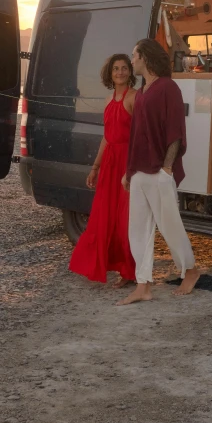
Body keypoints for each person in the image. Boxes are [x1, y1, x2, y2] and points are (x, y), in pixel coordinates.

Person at [118, 39, 200, 306]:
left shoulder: (168, 88)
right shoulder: (141, 92)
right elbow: (135, 136)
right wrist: (129, 171)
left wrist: (167, 167)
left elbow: (175, 131)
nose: (132, 61)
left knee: (169, 225)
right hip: (139, 171)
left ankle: (190, 270)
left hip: (159, 170)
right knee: (137, 230)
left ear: (145, 58)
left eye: (134, 55)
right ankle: (143, 285)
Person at [69, 54, 137, 286]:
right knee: (103, 218)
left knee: (125, 220)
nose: (120, 72)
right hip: (109, 164)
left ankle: (129, 272)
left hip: (127, 163)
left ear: (130, 71)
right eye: (116, 69)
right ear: (110, 73)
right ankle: (110, 266)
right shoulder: (109, 100)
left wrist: (133, 167)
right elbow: (107, 138)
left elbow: (139, 135)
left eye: (124, 68)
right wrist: (95, 167)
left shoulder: (134, 97)